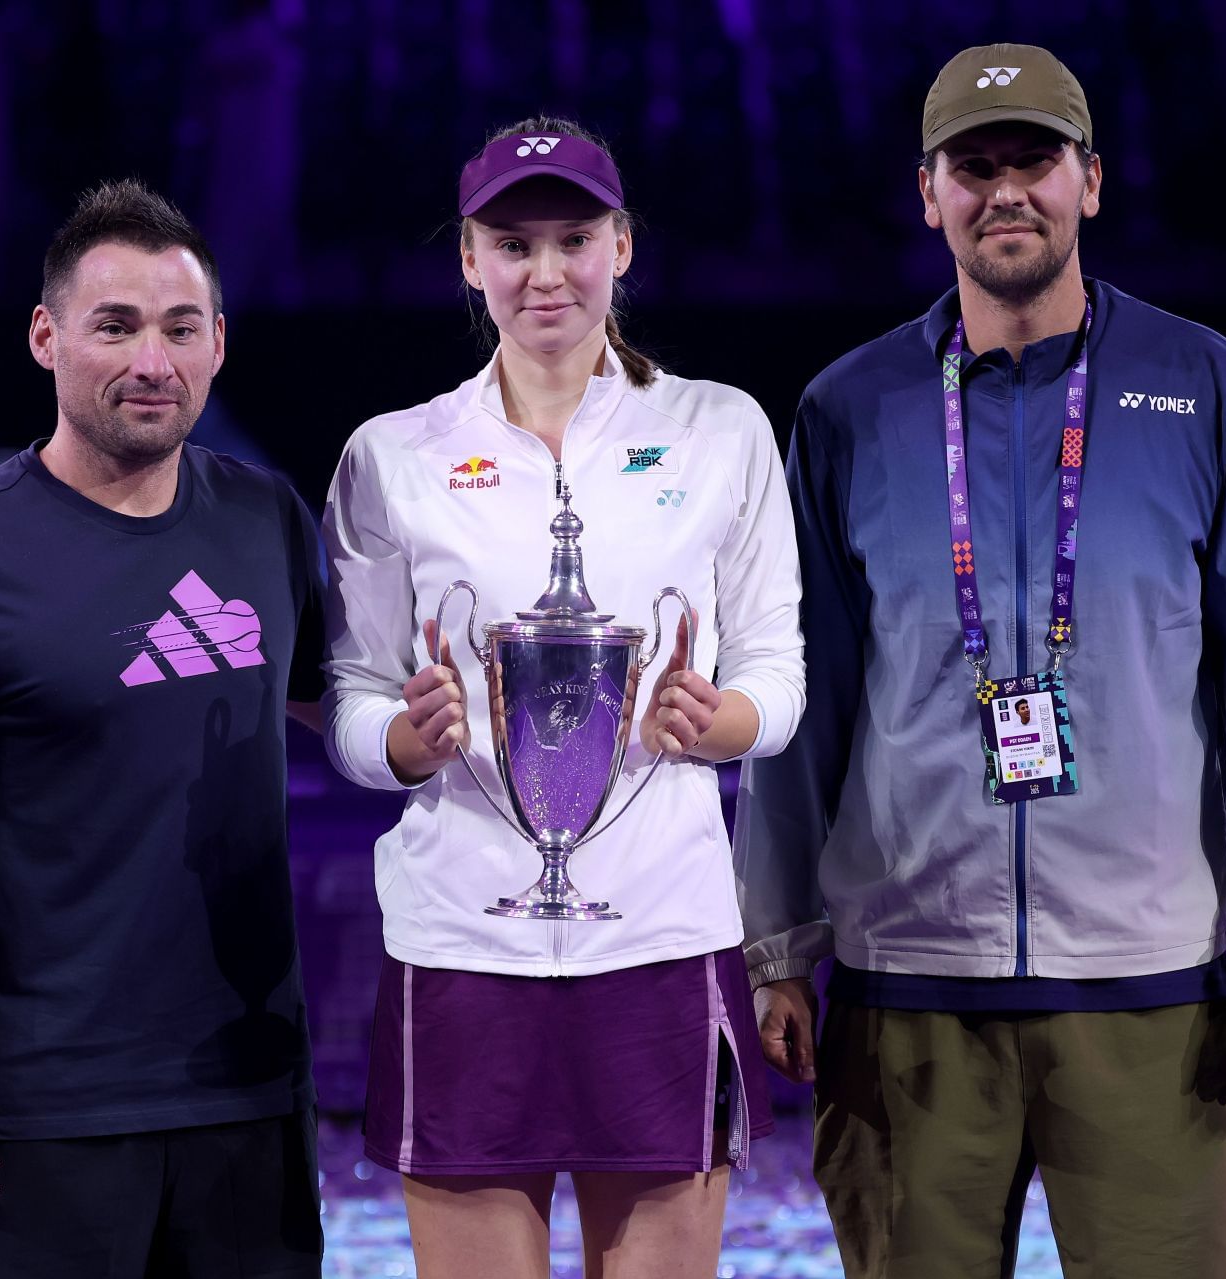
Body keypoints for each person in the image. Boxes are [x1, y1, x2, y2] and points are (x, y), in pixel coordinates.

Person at [734, 43, 1226, 1278]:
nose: (1005, 190)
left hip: (1147, 996)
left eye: (1034, 160)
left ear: (1091, 180)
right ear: (930, 194)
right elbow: (797, 701)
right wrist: (781, 946)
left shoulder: (1209, 387)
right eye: (973, 166)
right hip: (906, 992)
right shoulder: (846, 408)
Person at [322, 116, 804, 1278]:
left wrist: (719, 721)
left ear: (623, 246)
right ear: (469, 259)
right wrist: (402, 739)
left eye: (574, 237)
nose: (546, 271)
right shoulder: (393, 455)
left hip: (663, 936)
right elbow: (349, 698)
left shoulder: (719, 430)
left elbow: (779, 677)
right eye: (512, 242)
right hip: (462, 946)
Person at [0, 179, 326, 1278]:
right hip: (33, 1119)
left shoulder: (267, 520)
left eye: (180, 327)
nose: (154, 358)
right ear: (46, 337)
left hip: (247, 1098)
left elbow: (358, 717)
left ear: (219, 344)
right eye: (117, 325)